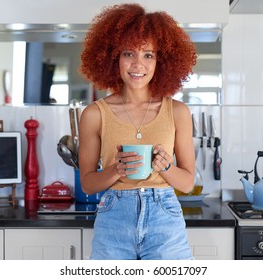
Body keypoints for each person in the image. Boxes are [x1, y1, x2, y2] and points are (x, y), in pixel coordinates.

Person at [78, 3, 197, 260]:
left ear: (161, 61)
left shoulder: (178, 112)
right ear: (113, 57)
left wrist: (166, 167)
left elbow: (188, 183)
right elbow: (87, 184)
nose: (138, 64)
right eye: (128, 54)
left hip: (165, 221)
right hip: (113, 221)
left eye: (148, 55)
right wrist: (115, 169)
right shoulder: (94, 114)